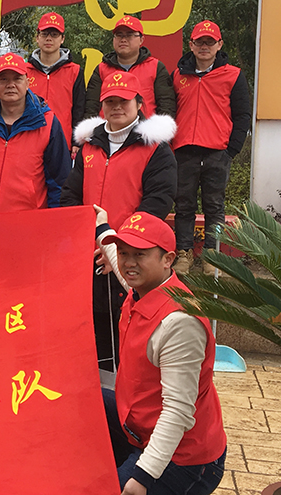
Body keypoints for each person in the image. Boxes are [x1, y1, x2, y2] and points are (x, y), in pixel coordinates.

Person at [99, 212, 227, 495]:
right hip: (142, 428)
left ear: (168, 259)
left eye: (140, 254)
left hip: (185, 457)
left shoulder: (179, 323)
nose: (128, 262)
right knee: (90, 400)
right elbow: (123, 269)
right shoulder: (144, 289)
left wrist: (142, 476)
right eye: (123, 252)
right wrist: (101, 225)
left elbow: (178, 411)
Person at [61, 71, 177, 371]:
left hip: (130, 257)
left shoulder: (156, 149)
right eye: (110, 101)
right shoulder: (89, 146)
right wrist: (86, 241)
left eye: (123, 101)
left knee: (127, 335)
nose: (116, 107)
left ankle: (127, 393)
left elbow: (157, 203)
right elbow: (71, 195)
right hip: (88, 256)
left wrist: (118, 249)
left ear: (139, 104)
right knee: (90, 334)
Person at [171, 20, 251, 275]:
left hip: (218, 152)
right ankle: (184, 253)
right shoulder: (178, 75)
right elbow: (170, 111)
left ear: (219, 45)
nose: (204, 46)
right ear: (191, 44)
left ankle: (211, 255)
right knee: (183, 205)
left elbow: (242, 116)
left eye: (210, 42)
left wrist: (231, 150)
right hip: (184, 150)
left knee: (214, 207)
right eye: (200, 42)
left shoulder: (233, 75)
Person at [0, 52, 70, 213]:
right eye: (4, 79)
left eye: (17, 78)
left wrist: (56, 221)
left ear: (27, 82)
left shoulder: (48, 124)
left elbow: (59, 182)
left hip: (28, 222)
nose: (10, 84)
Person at [85, 16, 175, 120]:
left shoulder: (156, 67)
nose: (123, 40)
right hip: (109, 128)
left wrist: (160, 128)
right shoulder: (102, 69)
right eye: (119, 35)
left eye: (129, 35)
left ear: (141, 40)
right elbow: (91, 106)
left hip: (145, 128)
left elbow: (166, 105)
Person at [25, 12, 85, 152]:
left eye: (54, 34)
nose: (49, 38)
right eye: (44, 34)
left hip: (62, 142)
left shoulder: (75, 71)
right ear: (37, 37)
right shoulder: (24, 70)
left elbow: (79, 109)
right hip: (29, 140)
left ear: (62, 38)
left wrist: (76, 142)